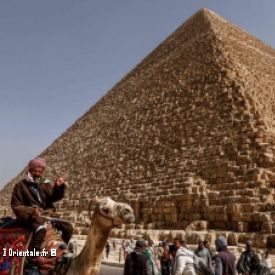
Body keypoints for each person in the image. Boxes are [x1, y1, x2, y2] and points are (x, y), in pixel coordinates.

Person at [11, 158, 73, 253]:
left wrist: (58, 187)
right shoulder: (20, 186)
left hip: (47, 216)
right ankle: (34, 257)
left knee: (68, 227)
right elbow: (16, 205)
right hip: (30, 219)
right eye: (35, 171)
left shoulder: (44, 182)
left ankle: (62, 250)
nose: (38, 173)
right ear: (30, 170)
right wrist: (32, 211)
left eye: (40, 171)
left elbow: (53, 197)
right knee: (41, 229)